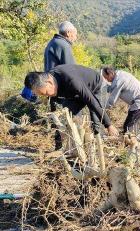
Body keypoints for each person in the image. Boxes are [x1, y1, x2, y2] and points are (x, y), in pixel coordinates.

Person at [24, 64, 119, 137]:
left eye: (45, 93)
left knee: (96, 120)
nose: (46, 96)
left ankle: (99, 143)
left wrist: (109, 125)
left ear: (49, 82)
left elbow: (92, 101)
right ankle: (75, 146)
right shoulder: (49, 85)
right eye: (42, 94)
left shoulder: (71, 79)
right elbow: (55, 114)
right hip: (75, 94)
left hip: (95, 87)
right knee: (68, 118)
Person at [44, 21, 78, 149]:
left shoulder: (52, 43)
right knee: (68, 117)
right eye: (75, 33)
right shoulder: (63, 45)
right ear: (68, 33)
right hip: (60, 89)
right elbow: (71, 71)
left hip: (51, 87)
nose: (76, 36)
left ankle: (59, 146)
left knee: (56, 117)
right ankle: (69, 148)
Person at [102, 66, 140, 135]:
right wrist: (101, 87)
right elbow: (112, 87)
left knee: (127, 127)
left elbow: (112, 101)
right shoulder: (120, 74)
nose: (106, 80)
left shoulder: (118, 81)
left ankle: (130, 142)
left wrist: (101, 108)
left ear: (111, 73)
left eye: (106, 77)